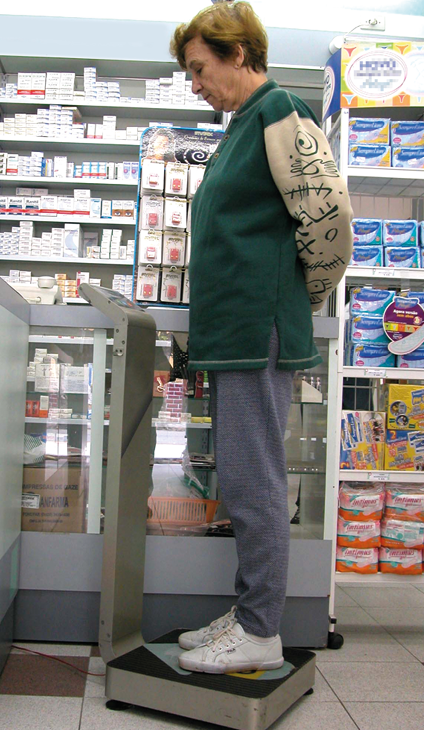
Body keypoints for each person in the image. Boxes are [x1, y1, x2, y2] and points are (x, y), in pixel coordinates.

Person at [169, 1, 353, 674]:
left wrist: (291, 304)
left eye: (198, 68)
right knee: (245, 478)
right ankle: (248, 611)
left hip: (257, 332)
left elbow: (329, 219)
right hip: (236, 333)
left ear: (237, 53)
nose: (194, 83)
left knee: (255, 483)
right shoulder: (244, 124)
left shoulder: (279, 114)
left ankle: (259, 627)